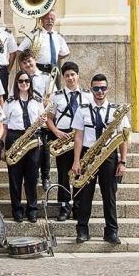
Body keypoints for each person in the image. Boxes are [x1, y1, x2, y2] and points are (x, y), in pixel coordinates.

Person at [71, 74, 129, 245]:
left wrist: (123, 161)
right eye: (96, 88)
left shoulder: (116, 111)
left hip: (109, 155)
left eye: (103, 88)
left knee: (109, 195)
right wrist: (76, 161)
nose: (100, 91)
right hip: (88, 154)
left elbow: (123, 137)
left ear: (108, 89)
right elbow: (78, 137)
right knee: (84, 195)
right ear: (91, 90)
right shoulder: (82, 109)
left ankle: (111, 232)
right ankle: (82, 230)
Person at [46, 61, 91, 221]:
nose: (70, 78)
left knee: (80, 173)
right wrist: (56, 131)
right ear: (63, 78)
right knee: (64, 174)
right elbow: (49, 119)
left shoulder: (88, 95)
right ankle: (64, 207)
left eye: (73, 74)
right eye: (67, 75)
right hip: (64, 137)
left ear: (78, 75)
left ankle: (79, 207)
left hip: (82, 137)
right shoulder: (56, 96)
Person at [1, 70, 45, 223]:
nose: (24, 84)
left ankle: (32, 210)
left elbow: (43, 122)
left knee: (32, 177)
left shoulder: (37, 101)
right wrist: (3, 147)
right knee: (15, 177)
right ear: (16, 83)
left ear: (30, 83)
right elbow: (4, 126)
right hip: (15, 137)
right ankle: (17, 210)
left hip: (33, 137)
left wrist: (41, 123)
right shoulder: (9, 101)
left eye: (27, 81)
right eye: (21, 81)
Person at [18, 49, 56, 190]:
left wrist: (47, 102)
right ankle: (32, 176)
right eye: (24, 62)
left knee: (44, 149)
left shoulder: (46, 77)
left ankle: (45, 176)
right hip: (26, 118)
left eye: (29, 61)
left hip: (42, 118)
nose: (28, 64)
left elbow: (53, 96)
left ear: (35, 59)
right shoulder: (20, 78)